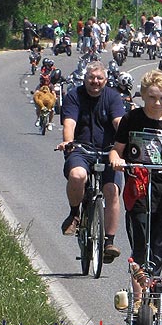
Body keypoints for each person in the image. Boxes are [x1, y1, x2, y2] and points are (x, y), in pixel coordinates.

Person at [108, 70, 162, 311]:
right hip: (137, 192)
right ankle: (139, 297)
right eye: (152, 97)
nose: (157, 103)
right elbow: (117, 150)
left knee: (159, 248)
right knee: (140, 248)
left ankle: (153, 294)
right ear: (143, 95)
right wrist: (116, 160)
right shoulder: (131, 119)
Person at [55, 61, 126, 263]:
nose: (95, 82)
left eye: (99, 78)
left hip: (108, 151)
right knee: (78, 175)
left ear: (105, 80)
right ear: (85, 79)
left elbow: (118, 121)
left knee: (112, 190)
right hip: (81, 149)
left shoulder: (113, 97)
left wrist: (125, 140)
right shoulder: (73, 96)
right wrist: (68, 142)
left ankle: (109, 242)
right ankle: (74, 214)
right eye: (91, 78)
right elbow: (69, 122)